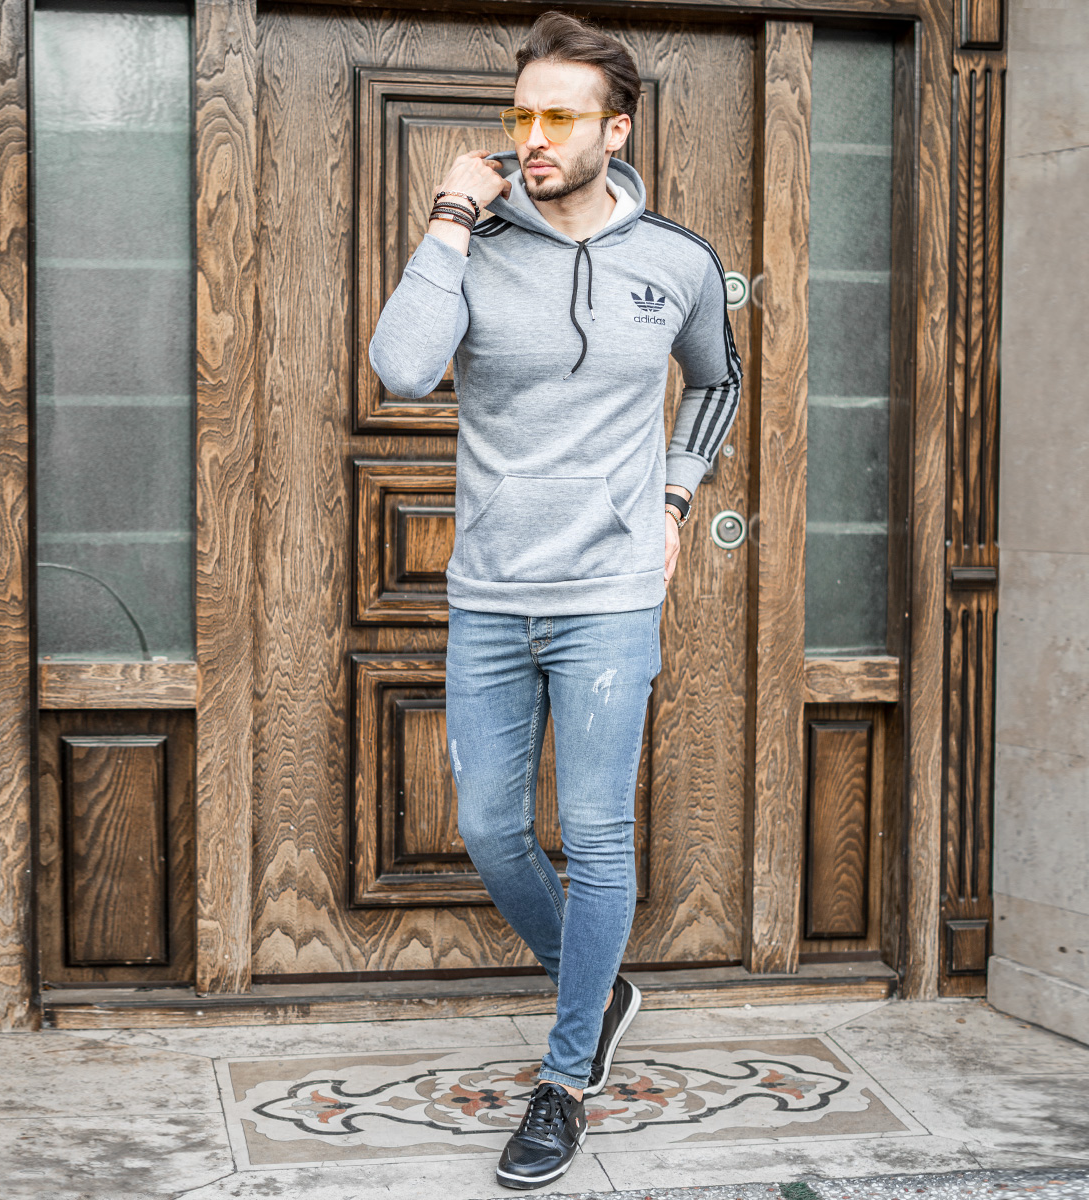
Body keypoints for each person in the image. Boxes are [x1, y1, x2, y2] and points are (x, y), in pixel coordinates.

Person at [367, 10, 741, 1190]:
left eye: (559, 117)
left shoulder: (676, 261)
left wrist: (675, 496)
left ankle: (566, 1078)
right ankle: (604, 987)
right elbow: (400, 368)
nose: (533, 135)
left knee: (597, 834)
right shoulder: (475, 246)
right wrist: (449, 216)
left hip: (612, 593)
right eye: (521, 114)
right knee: (489, 828)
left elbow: (715, 384)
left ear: (613, 130)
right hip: (490, 588)